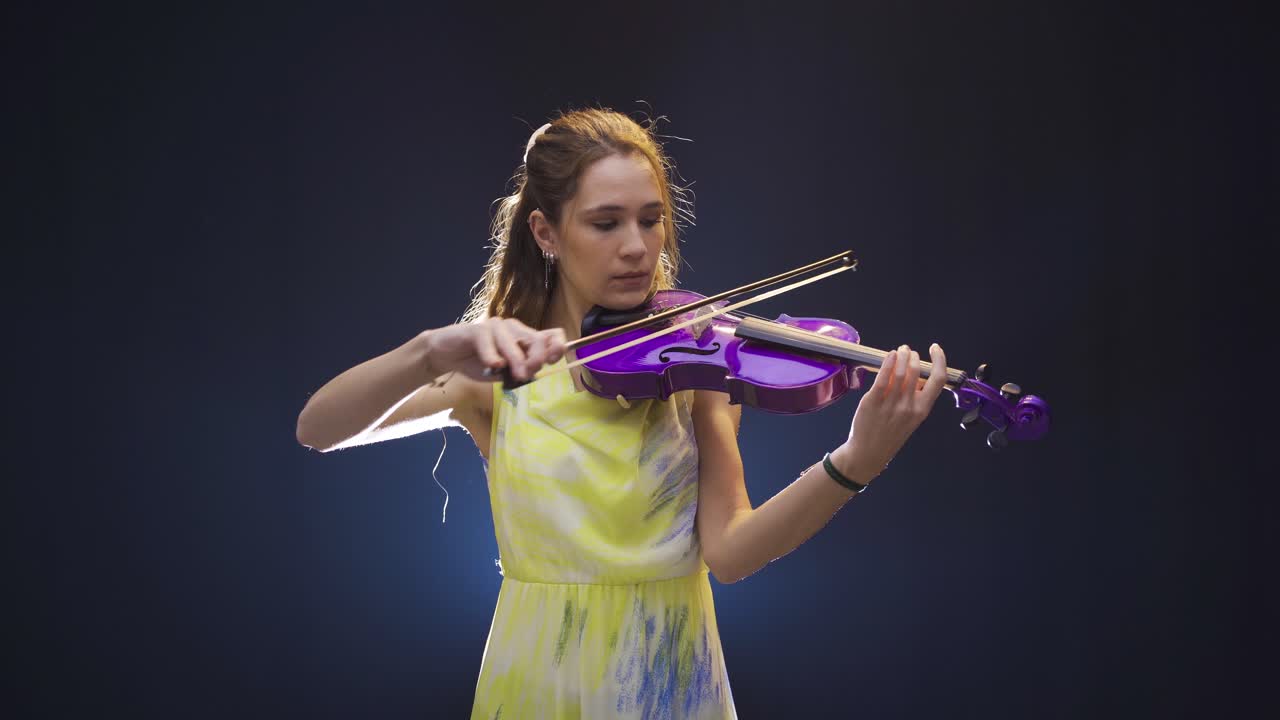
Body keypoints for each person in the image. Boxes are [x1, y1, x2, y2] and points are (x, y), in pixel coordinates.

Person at [295, 107, 949, 719]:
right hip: (539, 686)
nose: (636, 246)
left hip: (673, 682)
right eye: (606, 223)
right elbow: (318, 428)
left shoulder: (696, 366)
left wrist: (856, 461)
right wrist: (431, 349)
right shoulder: (498, 379)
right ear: (546, 233)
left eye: (650, 218)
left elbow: (731, 552)